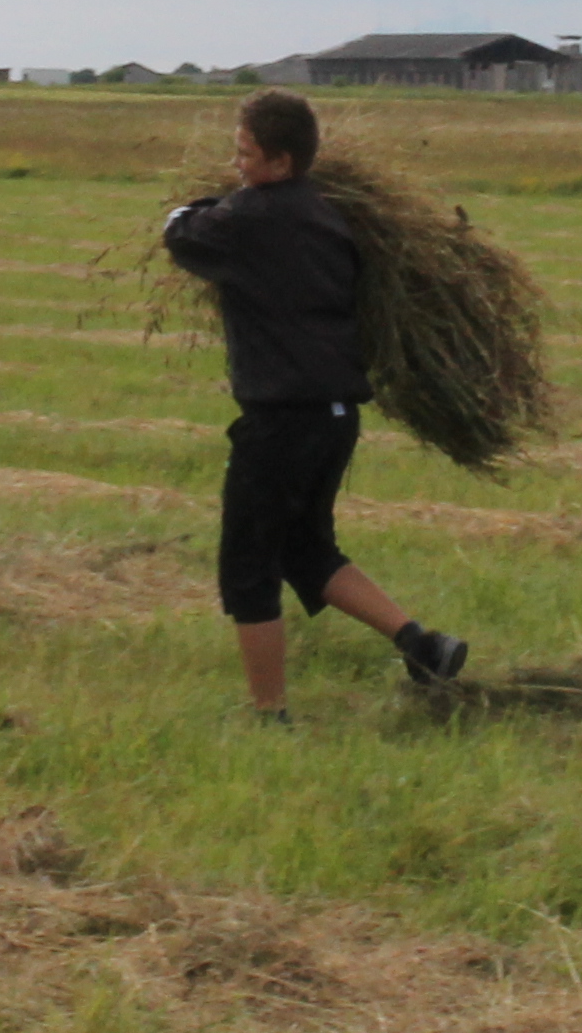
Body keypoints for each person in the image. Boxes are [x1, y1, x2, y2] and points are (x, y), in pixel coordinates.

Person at [160, 88, 470, 722]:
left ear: (280, 161)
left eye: (245, 153)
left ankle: (269, 716)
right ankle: (423, 646)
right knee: (303, 550)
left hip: (282, 422)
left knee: (248, 568)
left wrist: (192, 206)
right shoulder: (330, 217)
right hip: (335, 418)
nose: (236, 163)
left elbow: (183, 235)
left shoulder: (250, 220)